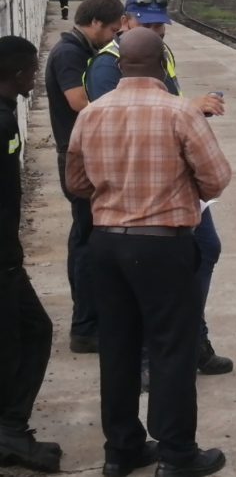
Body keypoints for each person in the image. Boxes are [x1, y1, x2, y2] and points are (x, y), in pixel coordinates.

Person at [66, 28, 232, 477]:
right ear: (162, 66)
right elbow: (216, 179)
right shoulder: (181, 113)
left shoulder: (92, 114)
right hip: (161, 244)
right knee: (171, 348)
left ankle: (122, 451)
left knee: (118, 348)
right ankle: (177, 455)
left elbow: (76, 184)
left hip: (106, 244)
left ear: (120, 66)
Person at [84, 0, 233, 377]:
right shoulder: (106, 66)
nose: (155, 29)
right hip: (142, 189)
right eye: (146, 22)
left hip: (177, 180)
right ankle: (155, 359)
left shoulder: (160, 53)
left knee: (205, 252)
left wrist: (189, 113)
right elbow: (118, 124)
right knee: (156, 280)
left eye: (159, 24)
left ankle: (194, 338)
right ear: (126, 21)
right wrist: (188, 110)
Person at [43, 0, 123, 353]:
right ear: (93, 23)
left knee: (86, 238)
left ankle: (90, 321)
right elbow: (78, 102)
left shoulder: (80, 49)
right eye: (110, 30)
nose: (113, 37)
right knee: (88, 243)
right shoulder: (69, 53)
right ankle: (86, 327)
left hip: (83, 153)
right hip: (76, 156)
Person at [0, 37, 61, 474]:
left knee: (28, 334)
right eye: (31, 71)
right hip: (1, 259)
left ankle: (10, 428)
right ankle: (10, 432)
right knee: (26, 337)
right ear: (19, 73)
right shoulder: (1, 122)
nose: (33, 78)